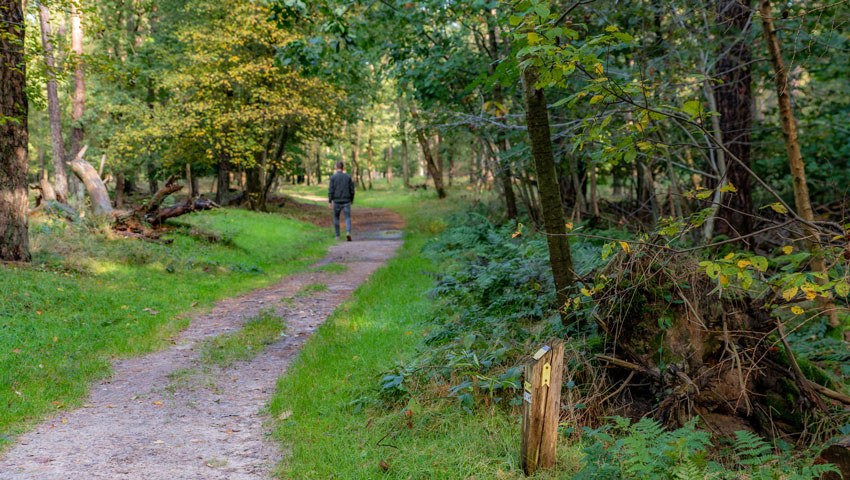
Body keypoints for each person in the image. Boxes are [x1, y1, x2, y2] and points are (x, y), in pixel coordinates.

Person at [328, 161, 355, 241]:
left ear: (336, 167)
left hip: (336, 201)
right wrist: (352, 199)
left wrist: (330, 201)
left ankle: (337, 236)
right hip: (346, 200)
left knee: (336, 217)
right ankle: (348, 232)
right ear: (343, 168)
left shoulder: (333, 177)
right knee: (347, 217)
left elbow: (331, 190)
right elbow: (352, 190)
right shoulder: (348, 177)